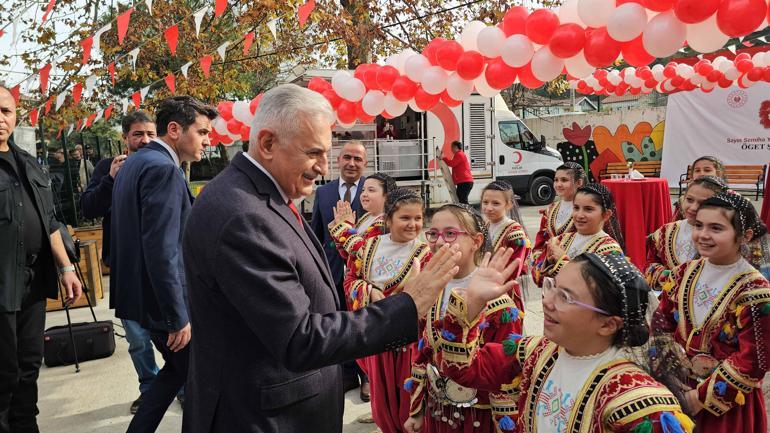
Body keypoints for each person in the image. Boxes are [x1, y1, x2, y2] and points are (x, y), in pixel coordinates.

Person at [180, 83, 461, 433]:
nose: (324, 168)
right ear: (267, 143)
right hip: (264, 417)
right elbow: (301, 337)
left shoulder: (259, 194)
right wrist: (408, 305)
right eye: (314, 153)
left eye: (328, 154)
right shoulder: (242, 216)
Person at [435, 250, 695, 433]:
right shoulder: (536, 353)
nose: (547, 302)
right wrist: (470, 305)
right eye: (552, 287)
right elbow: (464, 369)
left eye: (566, 298)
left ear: (608, 324)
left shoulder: (639, 402)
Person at [111, 96, 217, 433]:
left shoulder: (137, 163)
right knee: (203, 378)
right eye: (201, 132)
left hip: (143, 298)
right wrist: (176, 315)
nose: (207, 140)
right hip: (162, 303)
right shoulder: (162, 169)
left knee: (177, 373)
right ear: (174, 129)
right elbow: (161, 249)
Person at [79, 111, 177, 415]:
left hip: (158, 265)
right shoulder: (109, 167)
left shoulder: (163, 164)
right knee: (137, 338)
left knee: (173, 333)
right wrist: (110, 180)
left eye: (150, 133)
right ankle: (148, 387)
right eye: (138, 134)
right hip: (124, 266)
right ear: (125, 137)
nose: (145, 139)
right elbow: (87, 208)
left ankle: (181, 384)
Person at [0, 85, 83, 432]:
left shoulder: (27, 162)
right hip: (1, 287)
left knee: (29, 367)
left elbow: (49, 220)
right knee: (3, 375)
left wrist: (66, 267)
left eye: (5, 111)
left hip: (31, 285)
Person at [653, 191, 770, 432]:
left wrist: (699, 397)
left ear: (745, 235)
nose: (703, 235)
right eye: (699, 225)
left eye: (716, 228)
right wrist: (671, 377)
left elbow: (754, 359)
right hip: (677, 388)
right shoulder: (681, 273)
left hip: (726, 405)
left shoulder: (756, 290)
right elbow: (661, 323)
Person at [404, 204, 520, 433]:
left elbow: (505, 373)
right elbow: (422, 351)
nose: (438, 242)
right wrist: (417, 409)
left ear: (476, 242)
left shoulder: (498, 302)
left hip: (479, 416)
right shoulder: (432, 290)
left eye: (450, 234)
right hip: (437, 412)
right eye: (433, 233)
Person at [329, 188, 432, 433]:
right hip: (377, 339)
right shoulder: (371, 246)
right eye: (405, 218)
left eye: (418, 218)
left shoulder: (425, 254)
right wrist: (368, 291)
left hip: (408, 345)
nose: (413, 224)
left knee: (408, 401)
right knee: (382, 399)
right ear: (388, 220)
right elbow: (350, 279)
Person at [310, 139, 368, 394]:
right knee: (338, 321)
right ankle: (346, 373)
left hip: (364, 273)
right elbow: (316, 233)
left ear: (365, 164)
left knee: (364, 322)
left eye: (357, 159)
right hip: (332, 270)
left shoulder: (374, 190)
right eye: (347, 157)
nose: (352, 163)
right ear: (338, 160)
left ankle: (367, 375)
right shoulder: (323, 192)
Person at [531, 183, 624, 286]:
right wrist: (548, 261)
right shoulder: (561, 239)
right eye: (576, 208)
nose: (579, 215)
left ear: (606, 215)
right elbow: (538, 280)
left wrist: (562, 261)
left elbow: (599, 289)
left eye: (588, 209)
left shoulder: (610, 249)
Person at [646, 176, 727, 293]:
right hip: (669, 303)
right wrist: (665, 276)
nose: (693, 207)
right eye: (689, 200)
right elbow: (650, 263)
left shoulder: (725, 238)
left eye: (703, 203)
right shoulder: (666, 231)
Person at [481, 180, 531, 310]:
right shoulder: (485, 226)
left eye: (496, 203)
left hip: (504, 292)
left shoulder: (515, 233)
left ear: (509, 205)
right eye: (485, 202)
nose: (489, 208)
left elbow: (514, 269)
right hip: (482, 287)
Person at [533, 163, 585, 258]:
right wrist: (540, 259)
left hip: (574, 263)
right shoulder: (550, 210)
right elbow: (541, 240)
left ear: (579, 183)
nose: (558, 184)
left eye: (564, 180)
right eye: (556, 180)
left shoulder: (586, 211)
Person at [672, 156, 727, 221]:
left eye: (707, 170)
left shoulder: (729, 198)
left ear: (718, 173)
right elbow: (675, 223)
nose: (701, 174)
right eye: (697, 170)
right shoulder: (683, 199)